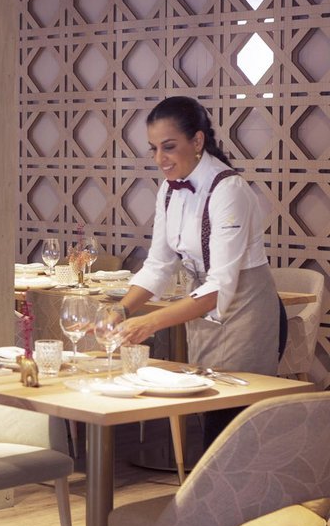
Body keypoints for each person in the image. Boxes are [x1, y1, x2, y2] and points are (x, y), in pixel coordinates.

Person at [117, 96, 285, 444]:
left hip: (246, 311)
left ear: (197, 141)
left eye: (169, 147)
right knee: (210, 416)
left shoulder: (229, 190)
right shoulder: (168, 190)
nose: (160, 159)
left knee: (232, 424)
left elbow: (219, 285)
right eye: (153, 149)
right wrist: (120, 311)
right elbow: (158, 264)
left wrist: (149, 322)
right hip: (202, 309)